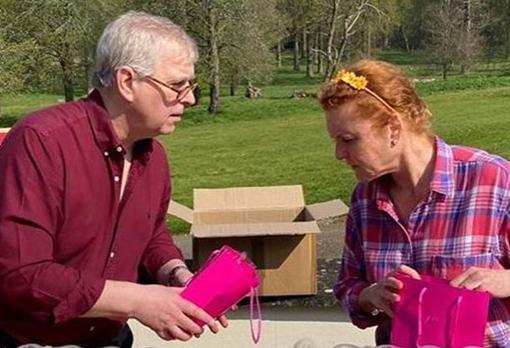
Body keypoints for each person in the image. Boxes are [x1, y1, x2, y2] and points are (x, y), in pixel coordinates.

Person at [0, 11, 227, 347]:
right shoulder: (42, 141)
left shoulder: (154, 157)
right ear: (126, 82)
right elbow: (21, 273)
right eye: (177, 85)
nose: (190, 99)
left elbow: (150, 234)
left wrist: (176, 275)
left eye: (190, 86)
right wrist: (138, 301)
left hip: (111, 338)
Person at [319, 59, 510, 347]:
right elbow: (348, 285)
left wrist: (504, 282)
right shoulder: (364, 199)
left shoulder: (492, 180)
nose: (338, 153)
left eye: (348, 139)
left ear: (393, 127)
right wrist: (369, 296)